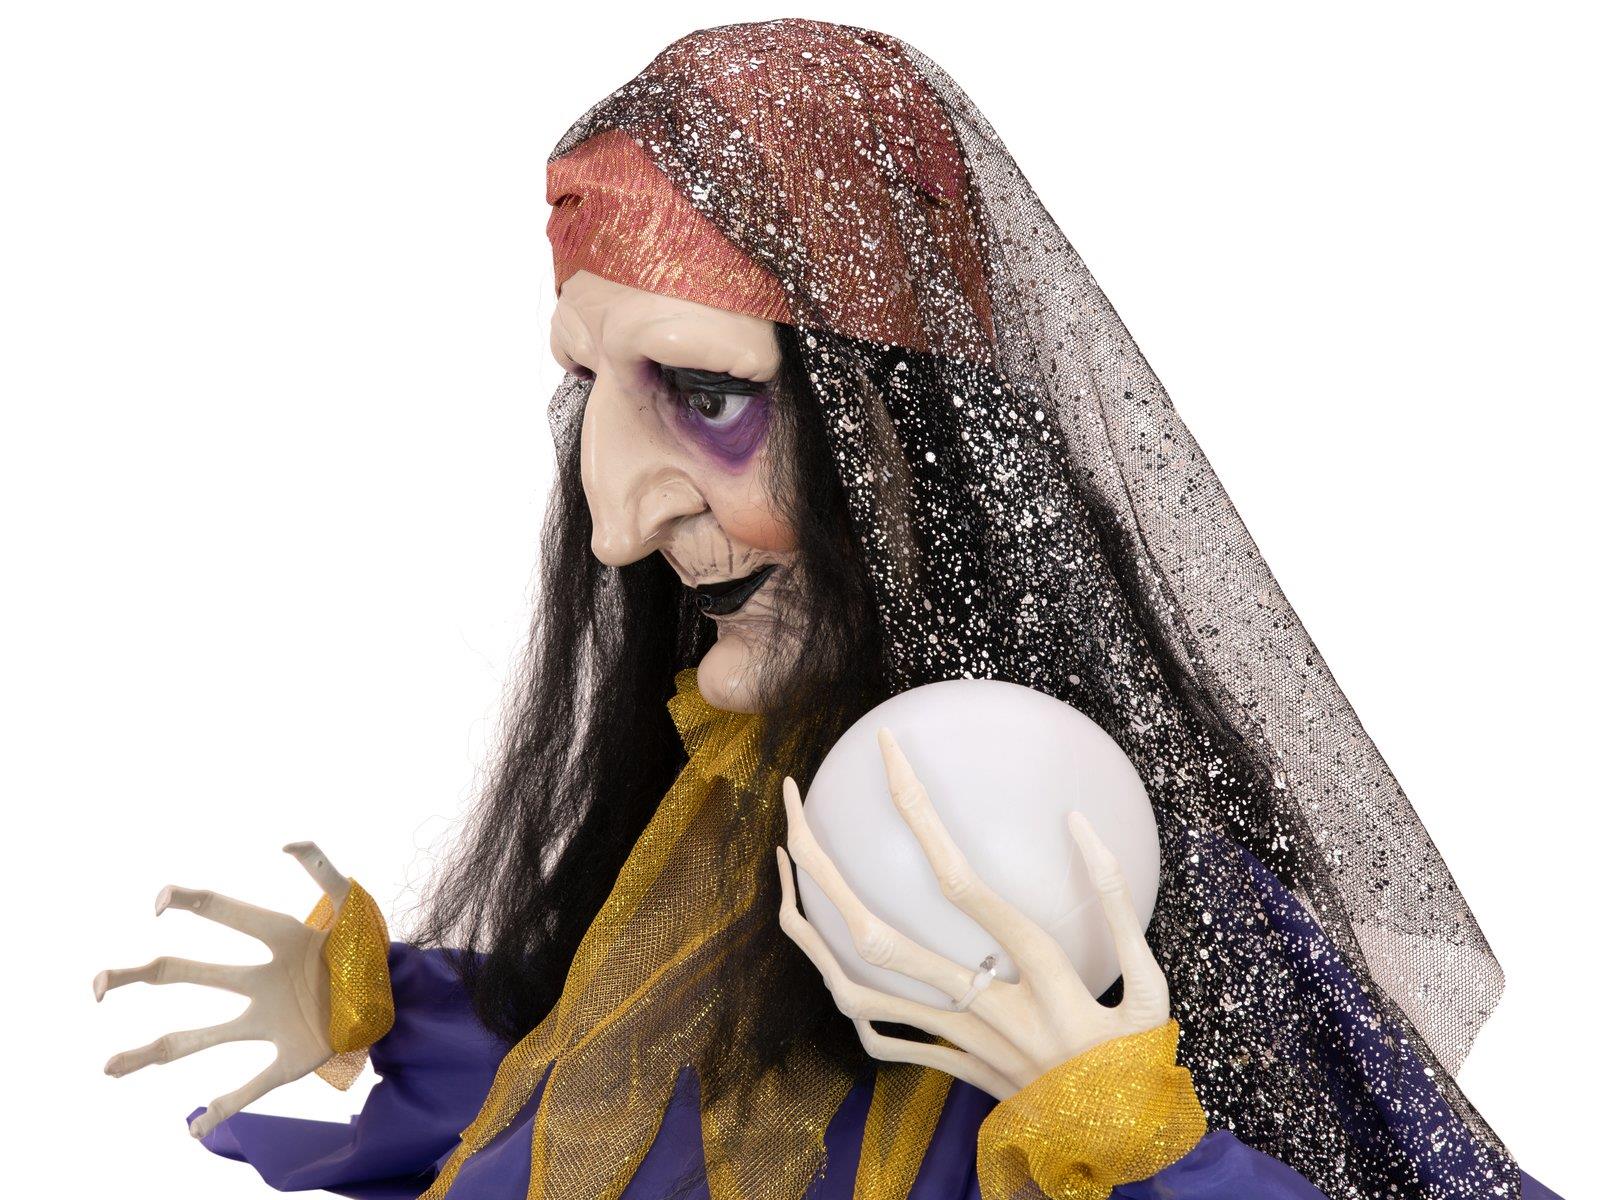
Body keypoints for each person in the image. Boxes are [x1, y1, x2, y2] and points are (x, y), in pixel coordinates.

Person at [93, 19, 1562, 1200]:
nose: (614, 524)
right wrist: (398, 1010)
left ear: (904, 437)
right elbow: (657, 1104)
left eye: (707, 392)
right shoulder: (733, 807)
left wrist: (1134, 1145)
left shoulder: (1113, 878)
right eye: (591, 388)